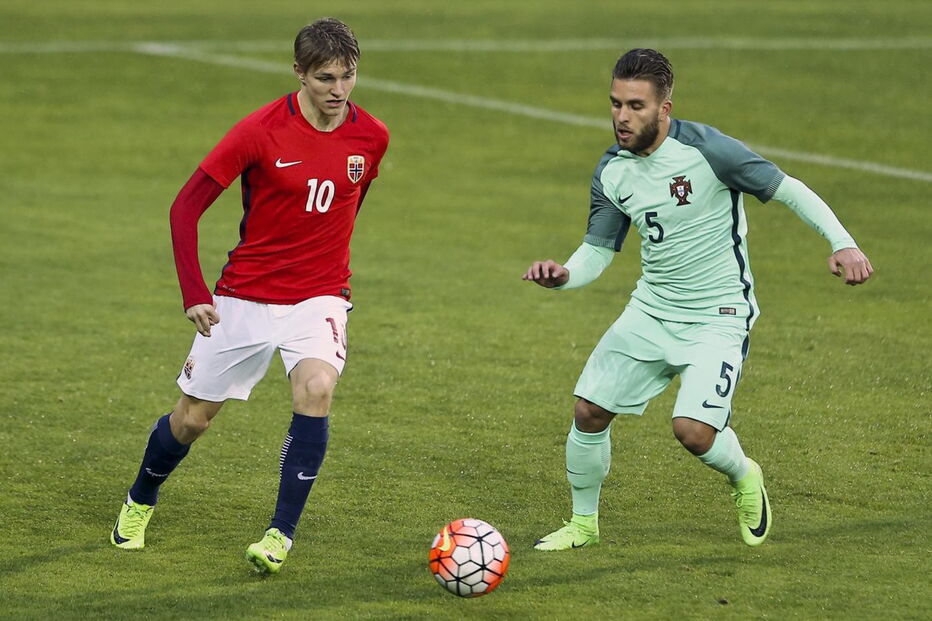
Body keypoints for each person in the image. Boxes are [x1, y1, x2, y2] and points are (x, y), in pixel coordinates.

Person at [523, 48, 873, 551]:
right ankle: (583, 525)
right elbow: (598, 251)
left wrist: (842, 243)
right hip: (651, 310)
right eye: (616, 103)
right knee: (588, 412)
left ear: (664, 108)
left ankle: (745, 474)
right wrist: (563, 275)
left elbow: (788, 189)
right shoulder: (613, 170)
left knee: (692, 432)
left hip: (718, 316)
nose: (622, 117)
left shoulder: (709, 151)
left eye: (636, 106)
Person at [109, 18, 390, 574]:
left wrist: (328, 267)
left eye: (348, 77)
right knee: (191, 420)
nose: (339, 91)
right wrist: (195, 291)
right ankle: (140, 498)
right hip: (244, 296)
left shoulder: (372, 136)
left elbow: (350, 202)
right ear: (299, 74)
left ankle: (279, 536)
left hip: (320, 296)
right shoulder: (259, 131)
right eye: (326, 78)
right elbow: (184, 207)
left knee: (316, 388)